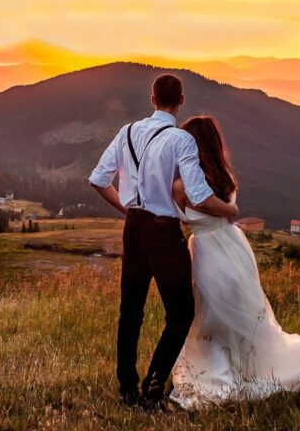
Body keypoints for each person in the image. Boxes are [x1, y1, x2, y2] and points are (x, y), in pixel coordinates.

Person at [89, 74, 239, 409]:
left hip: (134, 229)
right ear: (181, 101)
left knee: (131, 311)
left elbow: (99, 179)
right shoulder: (180, 140)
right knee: (181, 313)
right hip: (162, 232)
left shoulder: (126, 132)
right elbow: (199, 196)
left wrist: (127, 209)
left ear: (152, 99)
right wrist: (231, 209)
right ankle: (153, 389)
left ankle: (127, 388)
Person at [169, 115, 300, 409]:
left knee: (208, 315)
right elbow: (226, 210)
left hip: (206, 251)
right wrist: (231, 209)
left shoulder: (180, 185)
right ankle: (245, 368)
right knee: (239, 311)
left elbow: (194, 206)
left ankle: (216, 373)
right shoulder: (223, 176)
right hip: (234, 246)